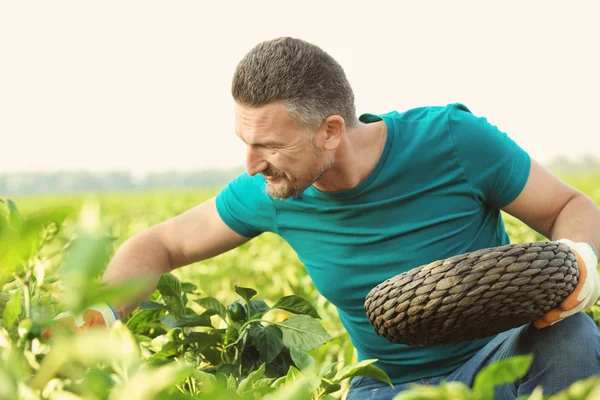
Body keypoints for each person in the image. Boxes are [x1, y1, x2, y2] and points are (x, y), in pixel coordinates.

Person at [50, 37, 600, 399]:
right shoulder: (271, 189)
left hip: (500, 355)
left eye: (267, 144)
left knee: (574, 338)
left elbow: (569, 206)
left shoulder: (452, 141)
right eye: (244, 142)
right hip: (388, 387)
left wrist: (577, 266)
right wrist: (100, 312)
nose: (250, 164)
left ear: (331, 130)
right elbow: (162, 244)